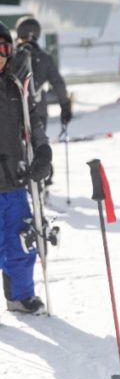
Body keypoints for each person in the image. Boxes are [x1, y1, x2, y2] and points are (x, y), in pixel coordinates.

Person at [0, 24, 50, 315]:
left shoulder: (16, 88)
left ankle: (20, 296)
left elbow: (34, 125)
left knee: (20, 239)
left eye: (2, 51)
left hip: (13, 179)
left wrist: (43, 151)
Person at [13, 17, 72, 130]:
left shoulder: (11, 57)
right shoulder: (45, 58)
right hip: (38, 110)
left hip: (16, 112)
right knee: (38, 144)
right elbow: (57, 83)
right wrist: (65, 106)